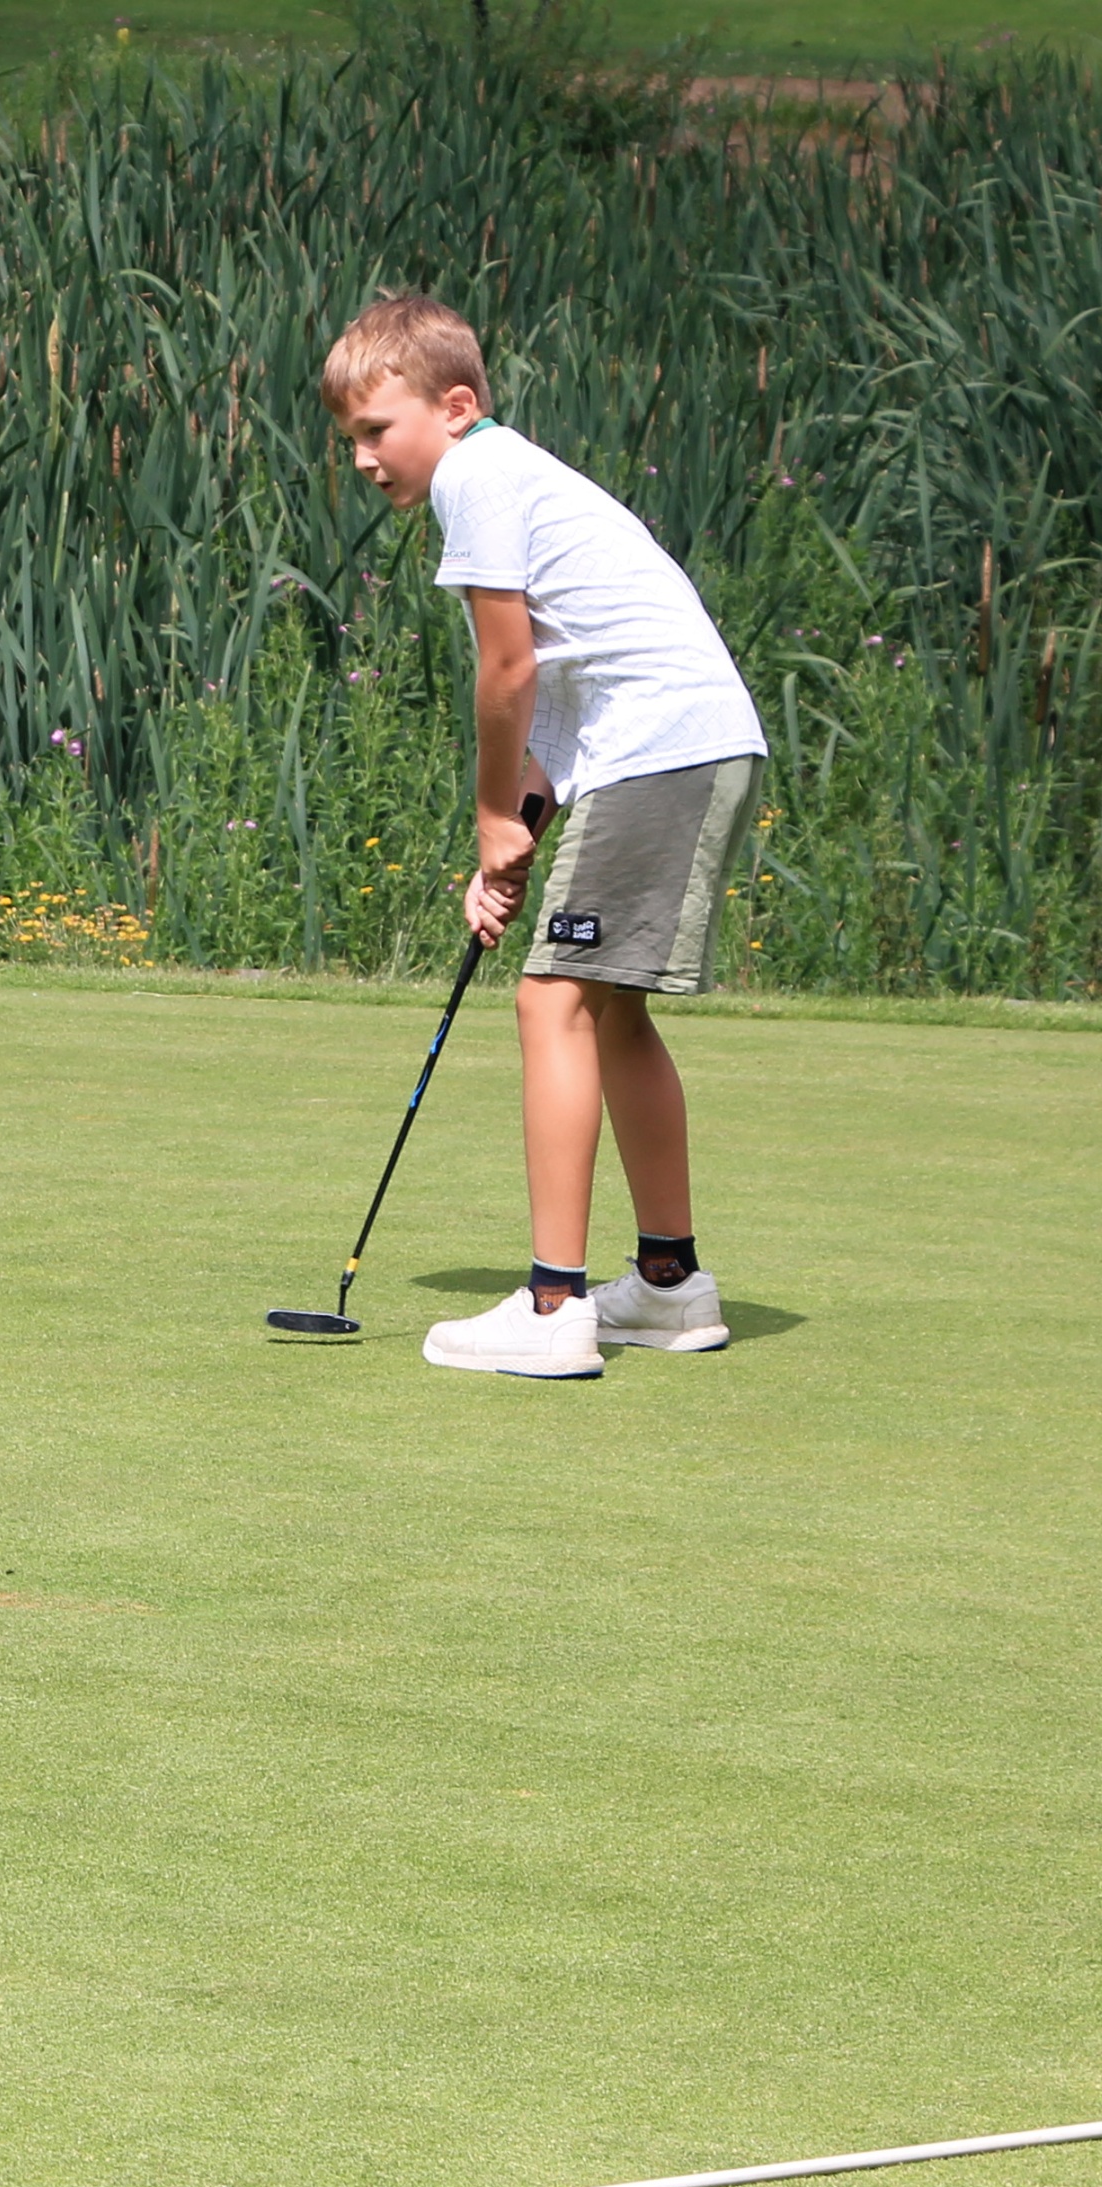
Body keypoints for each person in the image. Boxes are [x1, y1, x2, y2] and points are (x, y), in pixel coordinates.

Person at [322, 294, 766, 1378]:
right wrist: (510, 842)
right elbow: (563, 713)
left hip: (659, 750)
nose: (365, 460)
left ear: (454, 406)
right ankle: (668, 1287)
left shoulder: (475, 476)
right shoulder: (518, 475)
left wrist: (487, 815)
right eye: (350, 441)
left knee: (550, 998)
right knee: (607, 1009)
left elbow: (509, 671)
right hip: (681, 745)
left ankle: (554, 1306)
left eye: (377, 430)